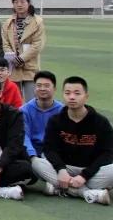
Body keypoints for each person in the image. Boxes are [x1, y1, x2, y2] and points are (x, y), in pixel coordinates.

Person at [29, 76, 112, 205]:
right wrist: (61, 170)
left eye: (77, 93)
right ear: (63, 95)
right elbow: (49, 149)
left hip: (91, 172)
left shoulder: (101, 122)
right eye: (67, 93)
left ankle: (59, 188)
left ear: (86, 96)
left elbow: (108, 153)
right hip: (64, 169)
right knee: (35, 162)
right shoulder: (55, 120)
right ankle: (88, 193)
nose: (72, 97)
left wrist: (84, 176)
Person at [2, 0, 45, 101]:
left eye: (22, 2)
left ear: (28, 3)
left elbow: (37, 45)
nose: (19, 5)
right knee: (14, 101)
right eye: (16, 2)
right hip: (13, 67)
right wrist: (12, 57)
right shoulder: (8, 23)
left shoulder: (37, 22)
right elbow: (5, 43)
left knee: (32, 100)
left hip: (30, 67)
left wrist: (21, 58)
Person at [22, 71, 62, 159]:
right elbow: (24, 136)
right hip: (32, 152)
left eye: (47, 86)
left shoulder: (62, 110)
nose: (42, 89)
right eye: (39, 85)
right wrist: (32, 155)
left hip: (56, 153)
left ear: (54, 89)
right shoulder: (25, 110)